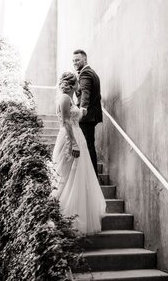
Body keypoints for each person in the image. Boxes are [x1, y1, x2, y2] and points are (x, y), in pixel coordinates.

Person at [52, 72, 106, 235]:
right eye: (78, 84)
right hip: (70, 139)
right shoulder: (64, 98)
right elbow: (66, 122)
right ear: (72, 84)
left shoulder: (69, 99)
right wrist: (74, 143)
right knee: (65, 174)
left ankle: (73, 215)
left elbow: (75, 117)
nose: (79, 87)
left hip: (77, 135)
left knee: (77, 176)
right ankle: (58, 214)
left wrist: (82, 110)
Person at [73, 49, 102, 177]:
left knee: (88, 145)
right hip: (92, 115)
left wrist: (82, 108)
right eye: (73, 60)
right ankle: (92, 175)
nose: (75, 62)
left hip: (87, 116)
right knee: (89, 144)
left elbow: (85, 92)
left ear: (85, 59)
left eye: (77, 60)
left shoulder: (85, 74)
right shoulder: (92, 72)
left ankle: (92, 176)